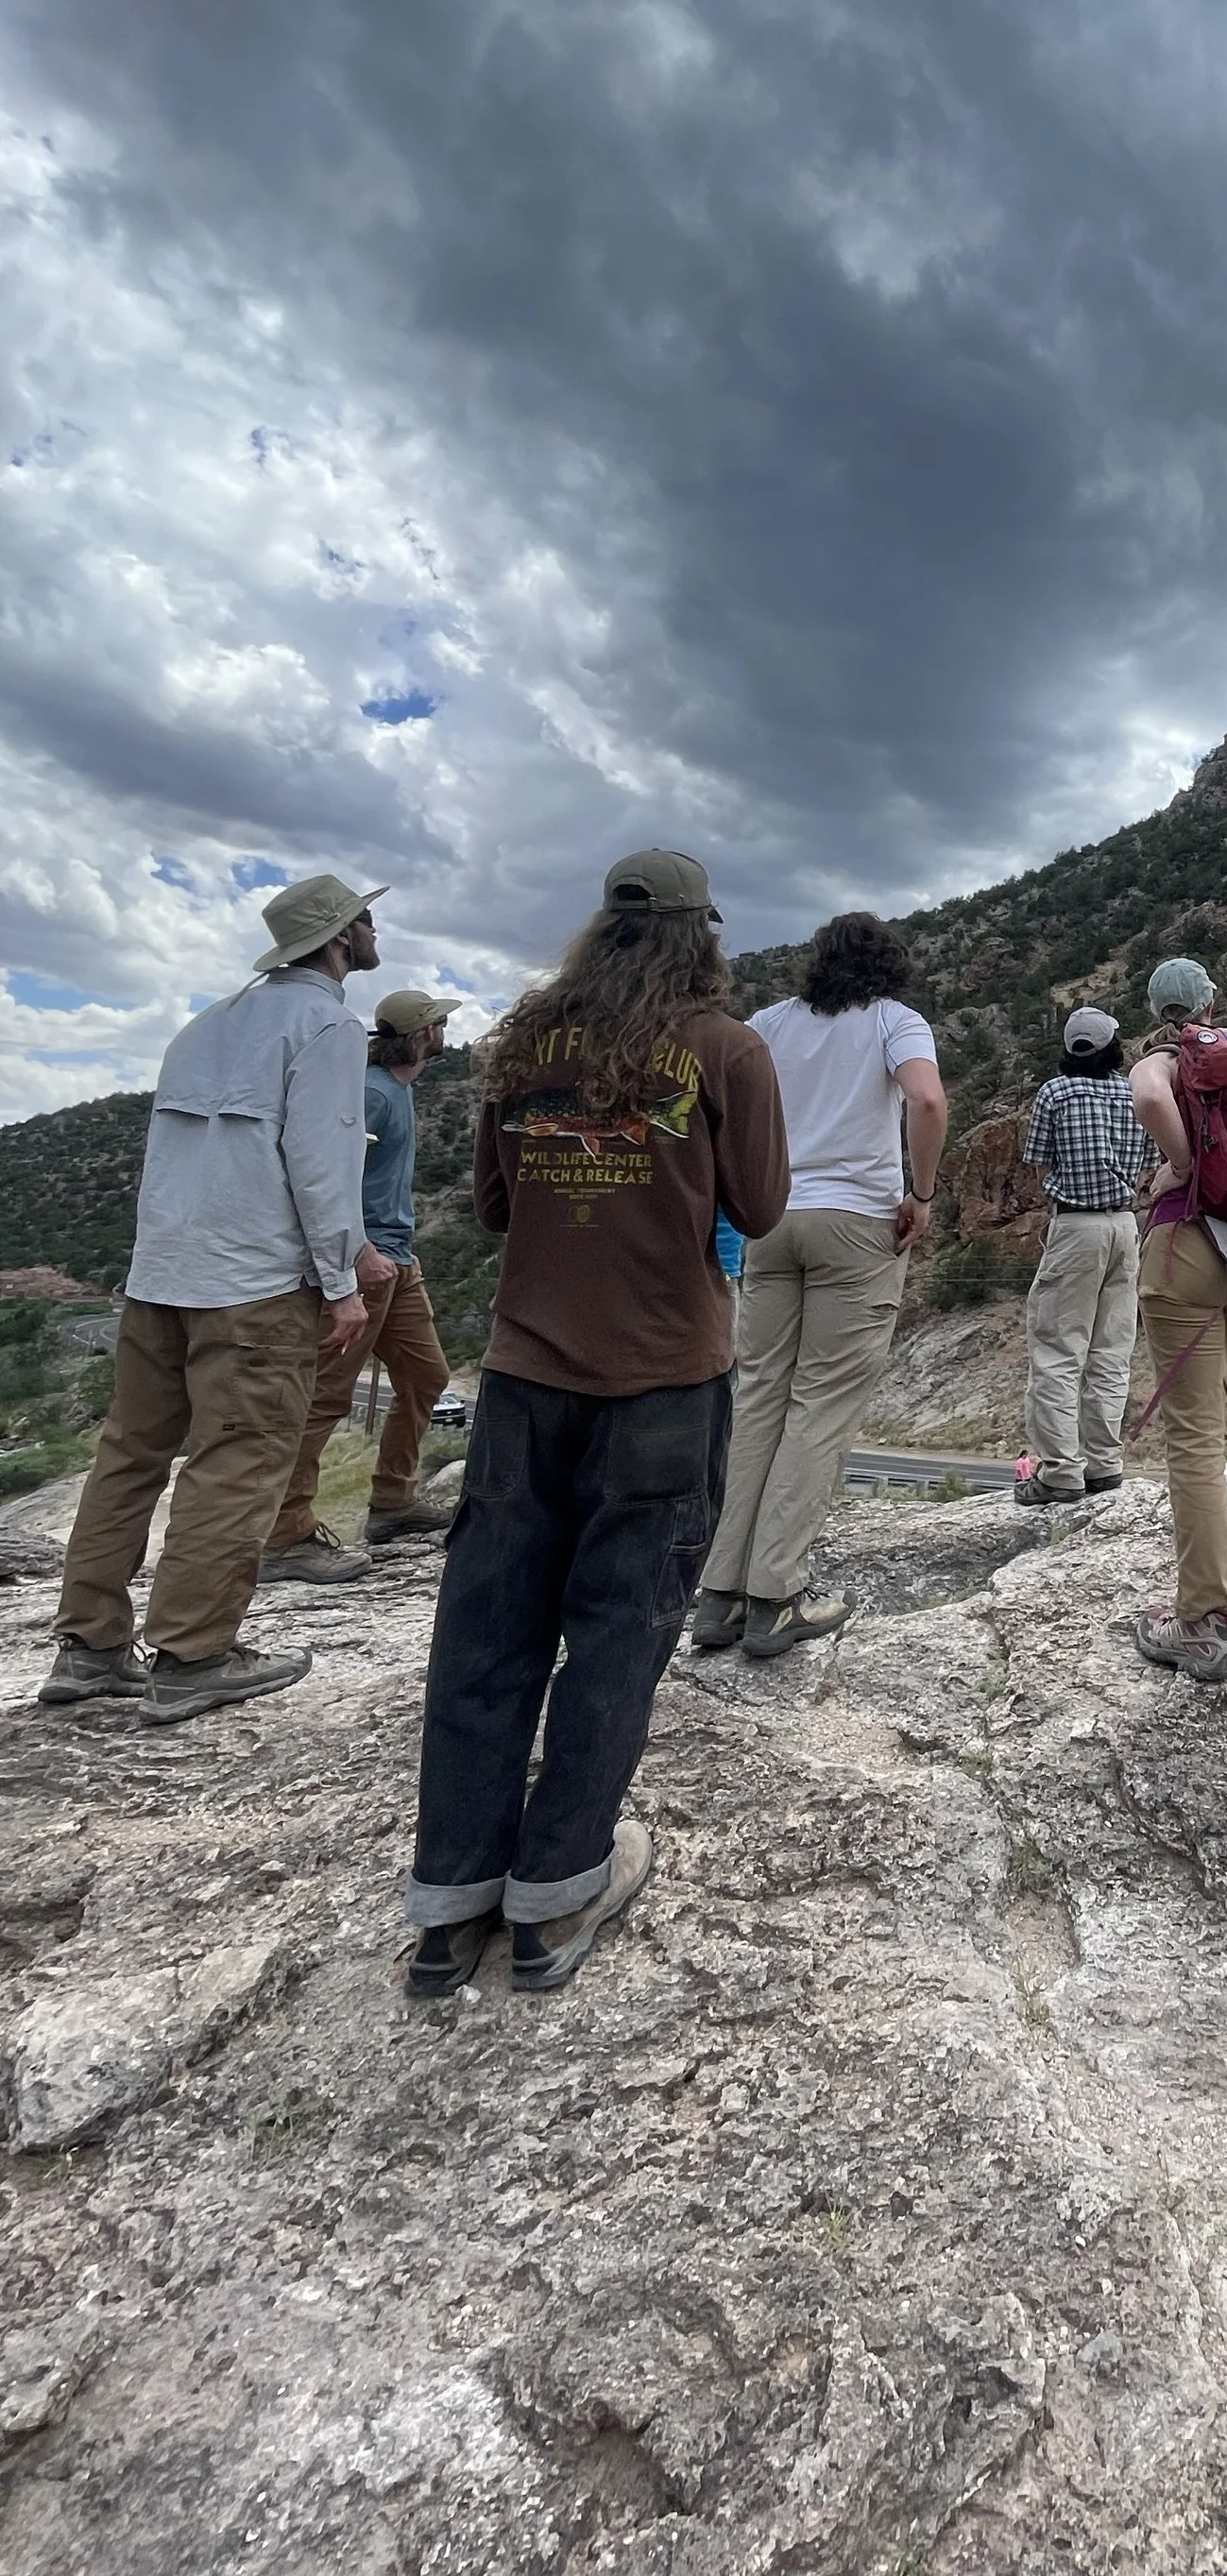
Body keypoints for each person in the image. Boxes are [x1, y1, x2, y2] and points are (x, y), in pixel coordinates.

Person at [403, 851, 787, 1998]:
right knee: (618, 1632)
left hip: (526, 1373)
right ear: (698, 935)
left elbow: (490, 1207)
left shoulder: (520, 1048)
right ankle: (556, 1892)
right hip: (666, 1375)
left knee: (486, 1627)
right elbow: (760, 1209)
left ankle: (449, 1903)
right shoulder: (727, 1049)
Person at [43, 874, 385, 1723]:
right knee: (236, 1460)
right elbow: (320, 1160)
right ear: (342, 939)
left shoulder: (207, 1021)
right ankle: (194, 1657)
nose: (376, 931)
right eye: (367, 920)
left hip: (161, 1272)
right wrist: (340, 1280)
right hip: (256, 1282)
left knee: (128, 1455)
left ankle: (87, 1648)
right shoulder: (329, 1024)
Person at [689, 912, 947, 1662]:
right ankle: (776, 1596)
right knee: (821, 1403)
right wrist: (921, 1194)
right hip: (857, 1224)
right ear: (887, 966)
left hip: (772, 1221)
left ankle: (719, 1593)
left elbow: (720, 1107)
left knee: (760, 1394)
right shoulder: (895, 1021)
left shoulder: (770, 1022)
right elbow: (926, 1100)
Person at [1125, 953, 1227, 1680]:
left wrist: (1183, 1165)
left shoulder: (1168, 1056)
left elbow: (1148, 1099)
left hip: (1190, 1250)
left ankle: (1203, 1623)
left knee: (1193, 1432)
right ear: (1214, 1003)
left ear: (1157, 1009)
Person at [260, 988, 458, 1582]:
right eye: (441, 1023)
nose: (446, 1030)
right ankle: (283, 1535)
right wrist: (357, 1252)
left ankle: (393, 1502)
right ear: (425, 1035)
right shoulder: (371, 1094)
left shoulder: (394, 1089)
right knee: (326, 1398)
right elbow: (322, 1171)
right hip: (367, 1263)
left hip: (399, 1262)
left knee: (428, 1377)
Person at [1014, 1006, 1156, 1507]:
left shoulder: (1055, 1093)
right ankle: (1104, 1464)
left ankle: (1059, 1471)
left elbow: (1037, 1167)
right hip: (1125, 1226)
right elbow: (1149, 1166)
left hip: (1074, 1224)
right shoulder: (1133, 1094)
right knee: (1111, 1349)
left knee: (1058, 1350)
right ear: (1114, 1047)